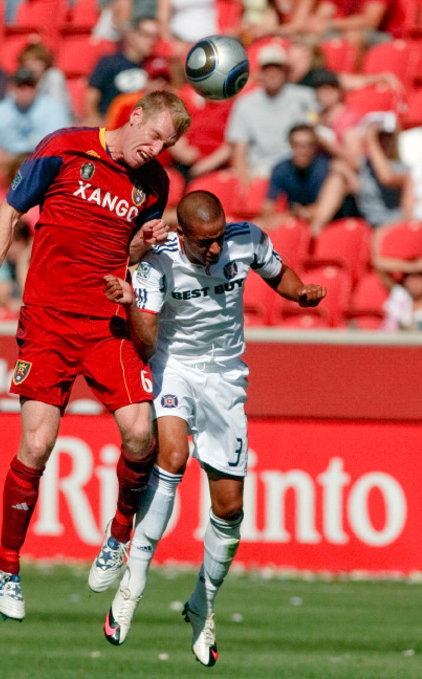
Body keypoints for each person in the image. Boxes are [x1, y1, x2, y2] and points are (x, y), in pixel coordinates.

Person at [0, 90, 191, 622]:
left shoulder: (154, 184)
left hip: (107, 323)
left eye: (168, 144)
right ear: (133, 118)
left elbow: (130, 252)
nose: (156, 149)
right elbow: (10, 208)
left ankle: (117, 535)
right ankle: (7, 568)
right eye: (154, 136)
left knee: (141, 434)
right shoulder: (65, 148)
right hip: (47, 319)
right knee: (37, 445)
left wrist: (144, 244)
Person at [99, 191, 326, 665]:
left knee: (230, 508)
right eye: (205, 243)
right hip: (175, 365)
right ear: (181, 235)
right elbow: (145, 337)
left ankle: (203, 604)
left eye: (219, 239)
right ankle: (133, 583)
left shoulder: (247, 241)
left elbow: (277, 271)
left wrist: (301, 292)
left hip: (226, 376)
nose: (216, 250)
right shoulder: (156, 264)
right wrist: (134, 306)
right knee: (173, 458)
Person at [225, 43, 318, 183]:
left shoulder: (304, 97)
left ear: (285, 71)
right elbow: (239, 149)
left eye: (277, 68)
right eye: (267, 68)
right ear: (260, 72)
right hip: (258, 172)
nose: (272, 73)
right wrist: (244, 183)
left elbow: (313, 135)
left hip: (296, 171)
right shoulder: (245, 103)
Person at [261, 123, 359, 232]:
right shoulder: (281, 169)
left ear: (315, 146)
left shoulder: (326, 167)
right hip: (296, 218)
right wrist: (273, 217)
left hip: (327, 222)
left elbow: (322, 208)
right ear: (290, 145)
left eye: (309, 145)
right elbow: (268, 205)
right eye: (298, 145)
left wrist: (298, 213)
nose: (304, 150)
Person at [0, 67, 71, 172]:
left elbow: (58, 150)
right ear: (11, 88)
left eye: (29, 85)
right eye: (20, 86)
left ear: (36, 88)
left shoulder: (53, 109)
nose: (25, 90)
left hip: (41, 166)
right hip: (6, 167)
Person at [84, 16, 160, 126]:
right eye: (147, 35)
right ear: (132, 35)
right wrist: (94, 120)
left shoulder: (157, 66)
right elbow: (91, 97)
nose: (152, 41)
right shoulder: (109, 63)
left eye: (155, 37)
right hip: (111, 125)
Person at [17, 42, 73, 121]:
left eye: (36, 62)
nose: (31, 66)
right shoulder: (24, 81)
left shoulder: (54, 76)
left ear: (45, 62)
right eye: (27, 63)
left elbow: (57, 108)